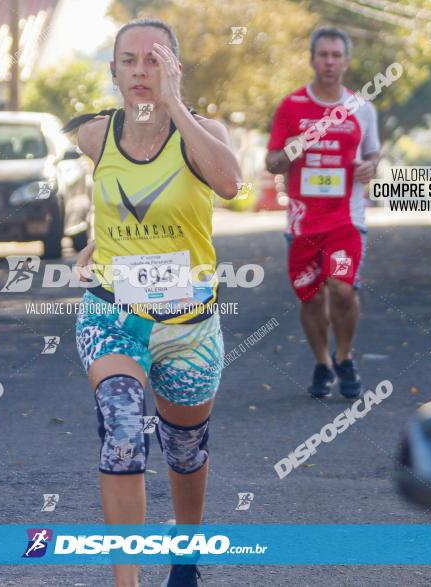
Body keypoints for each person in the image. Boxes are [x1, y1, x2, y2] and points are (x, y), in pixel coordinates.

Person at [62, 18, 241, 587]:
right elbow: (112, 198)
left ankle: (185, 553)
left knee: (185, 449)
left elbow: (231, 183)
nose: (141, 71)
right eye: (129, 60)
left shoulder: (204, 132)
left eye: (154, 60)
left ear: (174, 68)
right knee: (121, 428)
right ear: (113, 71)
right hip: (114, 314)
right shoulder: (94, 135)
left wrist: (177, 106)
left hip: (190, 325)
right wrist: (99, 239)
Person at [265, 27, 380, 399]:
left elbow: (374, 153)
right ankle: (322, 363)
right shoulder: (291, 106)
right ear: (312, 59)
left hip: (347, 220)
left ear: (346, 62)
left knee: (343, 290)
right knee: (311, 297)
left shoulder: (362, 108)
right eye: (323, 55)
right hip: (302, 223)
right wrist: (289, 153)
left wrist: (371, 166)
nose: (329, 62)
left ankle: (344, 356)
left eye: (336, 55)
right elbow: (272, 162)